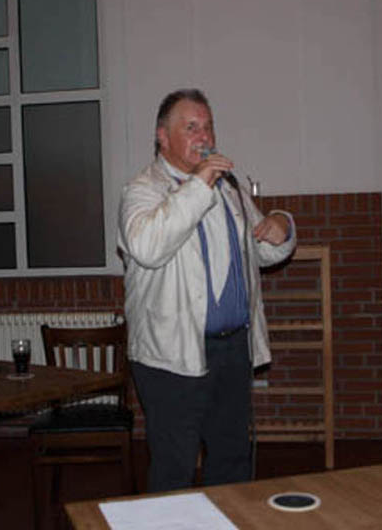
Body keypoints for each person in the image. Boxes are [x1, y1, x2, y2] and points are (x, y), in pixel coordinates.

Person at [117, 89, 296, 493]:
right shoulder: (141, 190)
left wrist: (282, 223)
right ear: (163, 136)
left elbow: (265, 251)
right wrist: (199, 183)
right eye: (191, 127)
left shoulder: (227, 188)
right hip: (170, 355)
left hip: (232, 349)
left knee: (232, 460)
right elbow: (148, 247)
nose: (204, 136)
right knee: (175, 466)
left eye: (208, 126)